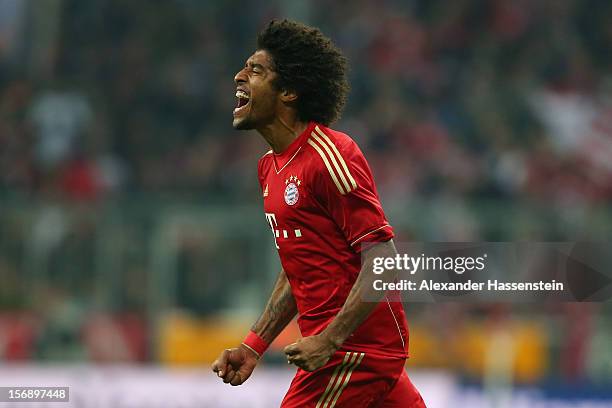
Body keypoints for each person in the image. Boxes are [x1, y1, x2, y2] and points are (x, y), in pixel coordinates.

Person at [212, 19, 426, 408]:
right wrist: (255, 344)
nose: (239, 76)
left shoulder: (331, 156)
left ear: (289, 91)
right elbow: (301, 267)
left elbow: (383, 261)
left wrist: (330, 340)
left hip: (354, 352)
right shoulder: (269, 168)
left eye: (256, 70)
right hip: (346, 350)